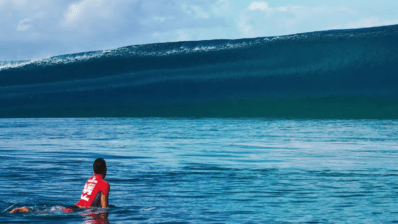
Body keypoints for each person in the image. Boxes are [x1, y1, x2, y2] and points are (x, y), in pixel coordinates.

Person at [9, 158, 110, 213]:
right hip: (81, 210)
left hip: (75, 207)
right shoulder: (104, 184)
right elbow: (104, 208)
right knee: (45, 213)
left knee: (47, 212)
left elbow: (94, 203)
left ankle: (28, 210)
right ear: (105, 170)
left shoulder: (89, 180)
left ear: (93, 169)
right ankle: (27, 210)